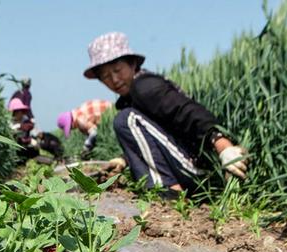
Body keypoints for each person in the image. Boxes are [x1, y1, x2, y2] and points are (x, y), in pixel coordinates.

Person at [83, 32, 248, 196]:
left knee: (126, 119)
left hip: (196, 167)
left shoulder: (144, 87)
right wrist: (124, 159)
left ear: (133, 64)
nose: (114, 79)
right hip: (189, 166)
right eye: (105, 76)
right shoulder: (132, 98)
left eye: (117, 70)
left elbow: (185, 111)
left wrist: (223, 146)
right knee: (127, 118)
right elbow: (157, 136)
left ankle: (169, 192)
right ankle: (169, 189)